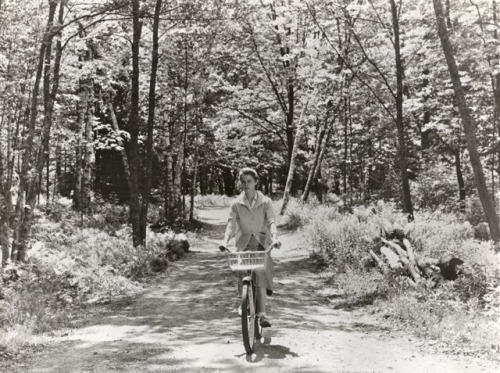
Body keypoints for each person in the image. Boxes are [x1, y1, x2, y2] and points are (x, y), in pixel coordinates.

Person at [220, 167, 281, 328]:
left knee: (260, 273)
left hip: (261, 243)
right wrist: (225, 241)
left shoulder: (265, 202)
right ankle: (244, 301)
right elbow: (231, 225)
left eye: (249, 181)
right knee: (242, 272)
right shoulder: (236, 204)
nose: (246, 185)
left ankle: (262, 315)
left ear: (256, 183)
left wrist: (275, 238)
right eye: (243, 182)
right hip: (244, 243)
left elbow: (271, 221)